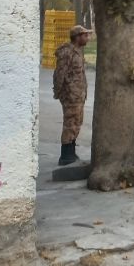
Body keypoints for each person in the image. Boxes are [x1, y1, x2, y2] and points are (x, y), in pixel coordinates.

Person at [53, 24, 93, 166]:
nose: (87, 38)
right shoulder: (67, 52)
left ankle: (71, 151)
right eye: (85, 35)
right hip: (70, 96)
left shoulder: (78, 51)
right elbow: (59, 73)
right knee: (70, 123)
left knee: (76, 123)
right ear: (77, 37)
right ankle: (66, 156)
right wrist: (59, 92)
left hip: (78, 95)